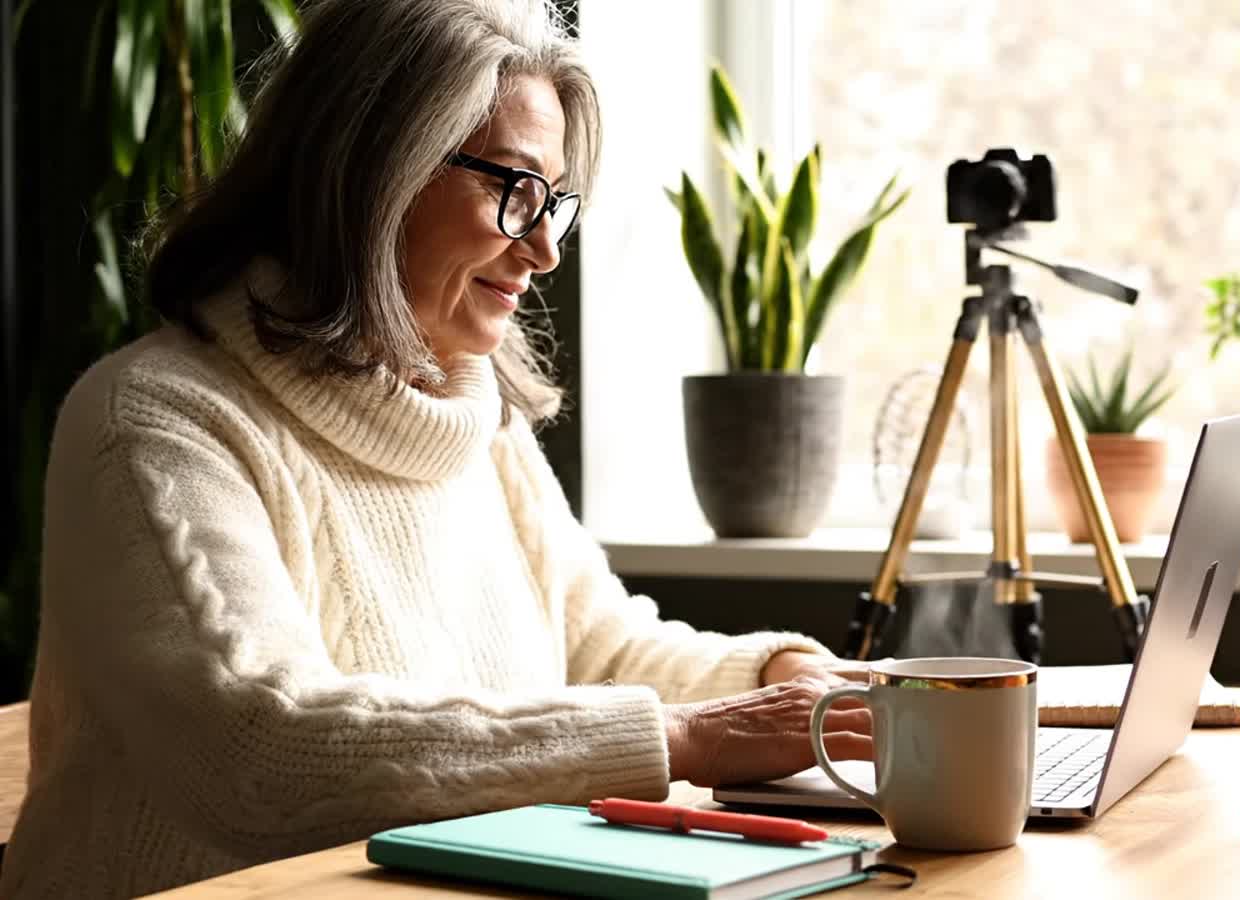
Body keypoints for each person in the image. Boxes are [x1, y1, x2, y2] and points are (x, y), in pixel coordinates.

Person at [0, 1, 873, 896]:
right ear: (374, 168)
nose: (543, 250)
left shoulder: (475, 418)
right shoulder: (154, 420)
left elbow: (601, 651)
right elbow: (258, 746)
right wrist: (690, 737)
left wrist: (789, 680)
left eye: (556, 204)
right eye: (516, 190)